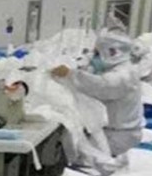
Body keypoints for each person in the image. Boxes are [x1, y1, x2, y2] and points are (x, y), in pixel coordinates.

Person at [51, 29, 144, 161]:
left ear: (112, 53)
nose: (94, 58)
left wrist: (70, 74)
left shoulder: (122, 76)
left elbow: (101, 86)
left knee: (85, 159)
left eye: (97, 53)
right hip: (117, 132)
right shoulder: (121, 68)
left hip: (118, 137)